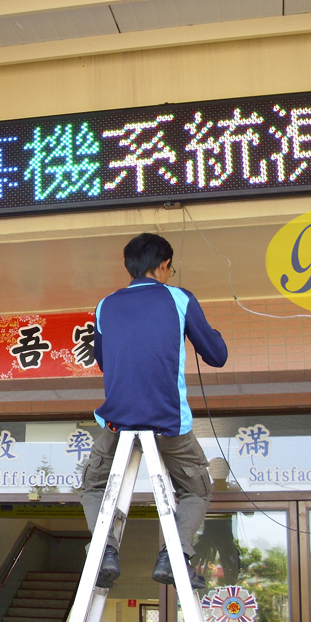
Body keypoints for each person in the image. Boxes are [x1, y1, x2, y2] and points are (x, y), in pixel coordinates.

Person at [80, 233, 228, 589]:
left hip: (117, 423)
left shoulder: (105, 305)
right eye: (170, 268)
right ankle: (174, 555)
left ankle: (106, 551)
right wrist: (212, 333)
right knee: (196, 490)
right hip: (168, 424)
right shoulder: (179, 298)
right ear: (164, 265)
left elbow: (103, 361)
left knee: (93, 485)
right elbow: (216, 356)